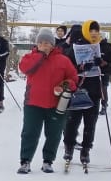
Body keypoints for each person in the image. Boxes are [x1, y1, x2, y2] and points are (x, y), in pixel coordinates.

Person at [17, 28, 78, 173]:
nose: (44, 45)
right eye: (41, 42)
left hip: (57, 105)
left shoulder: (63, 60)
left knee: (54, 134)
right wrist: (40, 56)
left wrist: (62, 86)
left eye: (47, 42)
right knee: (29, 133)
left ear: (53, 44)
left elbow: (73, 79)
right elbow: (24, 69)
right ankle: (25, 161)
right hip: (33, 103)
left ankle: (48, 161)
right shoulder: (29, 57)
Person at [62, 20, 111, 168]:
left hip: (95, 90)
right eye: (90, 30)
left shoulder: (104, 46)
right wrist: (80, 67)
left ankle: (86, 149)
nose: (93, 33)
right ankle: (69, 146)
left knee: (90, 123)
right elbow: (67, 66)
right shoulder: (76, 46)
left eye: (96, 30)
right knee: (72, 121)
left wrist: (103, 64)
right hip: (77, 89)